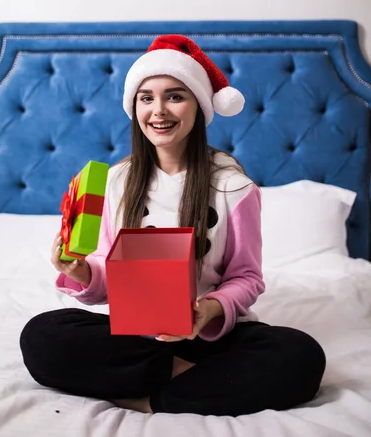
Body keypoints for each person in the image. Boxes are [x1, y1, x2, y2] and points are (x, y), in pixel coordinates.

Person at [20, 34, 326, 416]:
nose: (159, 110)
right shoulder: (115, 182)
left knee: (302, 356)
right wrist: (81, 271)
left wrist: (209, 310)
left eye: (175, 96)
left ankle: (151, 398)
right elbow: (104, 273)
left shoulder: (234, 186)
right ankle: (189, 379)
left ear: (198, 106)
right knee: (41, 335)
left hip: (209, 335)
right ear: (135, 107)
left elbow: (247, 278)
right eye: (147, 98)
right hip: (135, 336)